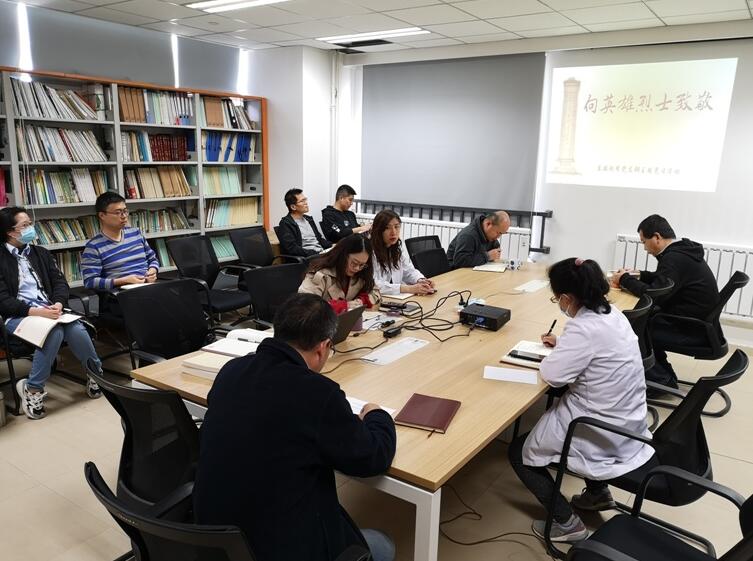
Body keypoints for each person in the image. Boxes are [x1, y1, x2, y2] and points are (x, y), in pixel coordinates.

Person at [194, 293, 397, 561]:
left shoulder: (231, 370)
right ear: (323, 348)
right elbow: (373, 458)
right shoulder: (318, 394)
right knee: (383, 546)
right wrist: (377, 415)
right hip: (276, 546)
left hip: (214, 540)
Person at [508, 258, 655, 543]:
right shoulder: (613, 314)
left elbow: (553, 375)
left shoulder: (582, 328)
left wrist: (561, 350)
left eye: (557, 299)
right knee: (561, 421)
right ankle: (598, 494)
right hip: (628, 419)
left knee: (519, 453)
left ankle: (566, 523)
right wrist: (564, 345)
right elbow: (597, 350)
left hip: (599, 425)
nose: (559, 304)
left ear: (566, 298)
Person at [0, 207, 102, 420]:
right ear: (10, 232)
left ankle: (96, 375)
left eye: (30, 223)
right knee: (53, 332)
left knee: (76, 327)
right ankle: (33, 389)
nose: (31, 228)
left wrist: (58, 303)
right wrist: (35, 312)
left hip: (49, 310)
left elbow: (60, 283)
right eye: (25, 225)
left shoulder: (40, 253)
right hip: (17, 316)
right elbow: (3, 301)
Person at [611, 214, 720, 388]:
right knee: (643, 321)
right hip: (699, 323)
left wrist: (625, 279)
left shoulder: (673, 259)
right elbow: (665, 280)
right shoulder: (682, 252)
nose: (644, 248)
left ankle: (660, 379)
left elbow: (655, 295)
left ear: (657, 237)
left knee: (633, 330)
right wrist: (639, 274)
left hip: (690, 329)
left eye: (644, 242)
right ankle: (663, 375)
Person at [81, 192, 160, 290]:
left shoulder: (136, 234)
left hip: (148, 287)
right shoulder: (94, 247)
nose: (124, 216)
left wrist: (152, 271)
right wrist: (123, 280)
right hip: (122, 292)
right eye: (118, 212)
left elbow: (152, 259)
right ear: (102, 215)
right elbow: (90, 282)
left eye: (125, 211)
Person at [299, 234, 381, 313]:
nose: (357, 268)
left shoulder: (362, 272)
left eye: (362, 265)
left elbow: (375, 292)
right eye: (354, 263)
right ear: (343, 255)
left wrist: (361, 300)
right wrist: (343, 306)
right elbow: (306, 305)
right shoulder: (321, 274)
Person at [370, 209, 435, 296]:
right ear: (378, 230)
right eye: (387, 228)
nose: (393, 232)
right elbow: (373, 284)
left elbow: (408, 270)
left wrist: (420, 280)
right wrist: (408, 288)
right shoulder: (369, 252)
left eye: (396, 227)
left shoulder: (394, 250)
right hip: (378, 299)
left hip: (396, 298)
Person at [278, 188, 332, 257]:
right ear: (293, 207)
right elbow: (292, 249)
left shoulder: (309, 219)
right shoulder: (286, 224)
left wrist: (332, 246)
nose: (306, 203)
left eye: (305, 200)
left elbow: (319, 239)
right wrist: (315, 253)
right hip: (307, 258)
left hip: (321, 254)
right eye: (302, 201)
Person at [446, 211, 511, 269]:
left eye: (501, 233)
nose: (498, 237)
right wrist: (487, 256)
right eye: (498, 232)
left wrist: (496, 251)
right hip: (454, 272)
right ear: (488, 224)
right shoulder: (468, 235)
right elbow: (460, 261)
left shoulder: (489, 235)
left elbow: (494, 247)